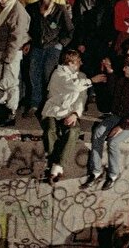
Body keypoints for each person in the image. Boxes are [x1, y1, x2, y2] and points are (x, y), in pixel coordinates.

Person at [83, 54, 129, 191]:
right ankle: (96, 171)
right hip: (118, 115)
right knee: (97, 133)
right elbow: (114, 88)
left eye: (127, 67)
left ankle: (113, 175)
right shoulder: (125, 79)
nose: (124, 69)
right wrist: (109, 72)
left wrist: (121, 126)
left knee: (113, 142)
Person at [41, 49, 106, 184]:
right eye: (78, 61)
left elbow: (81, 98)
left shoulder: (81, 75)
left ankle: (57, 166)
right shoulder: (58, 74)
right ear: (70, 63)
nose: (81, 63)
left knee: (73, 131)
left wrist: (76, 113)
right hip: (53, 110)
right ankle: (54, 164)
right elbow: (73, 87)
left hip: (69, 112)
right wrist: (92, 81)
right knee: (50, 131)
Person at [24, 0, 74, 115]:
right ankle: (34, 103)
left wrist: (61, 44)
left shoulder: (61, 10)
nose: (44, 15)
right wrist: (28, 41)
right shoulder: (32, 9)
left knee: (48, 74)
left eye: (47, 13)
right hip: (37, 45)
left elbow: (70, 30)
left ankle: (48, 103)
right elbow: (27, 27)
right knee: (34, 74)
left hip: (53, 45)